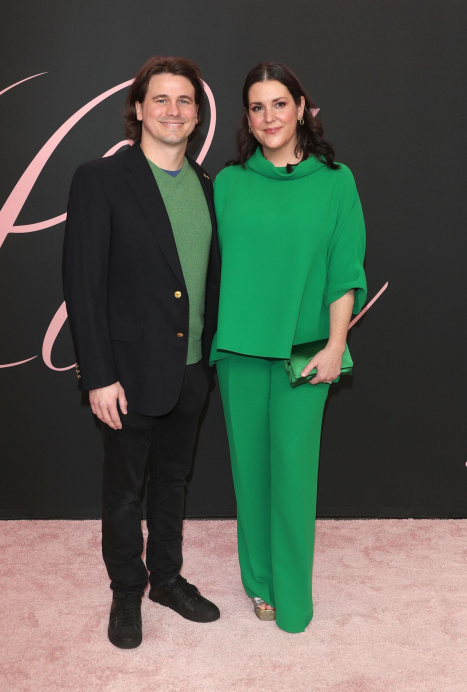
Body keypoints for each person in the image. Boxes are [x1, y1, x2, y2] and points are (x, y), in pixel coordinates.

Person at [62, 56, 221, 649]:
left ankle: (167, 580)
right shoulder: (100, 179)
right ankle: (126, 590)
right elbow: (83, 283)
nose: (173, 111)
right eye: (161, 99)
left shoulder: (208, 184)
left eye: (184, 101)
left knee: (173, 483)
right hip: (126, 374)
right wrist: (98, 375)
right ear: (137, 108)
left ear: (197, 114)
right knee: (125, 489)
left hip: (190, 372)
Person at [210, 62, 367, 633]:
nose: (269, 117)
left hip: (306, 354)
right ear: (246, 118)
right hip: (241, 354)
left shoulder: (335, 180)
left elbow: (345, 272)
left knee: (294, 476)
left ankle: (292, 591)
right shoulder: (227, 184)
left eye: (280, 103)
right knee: (250, 474)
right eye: (257, 106)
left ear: (302, 108)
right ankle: (259, 581)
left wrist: (336, 344)